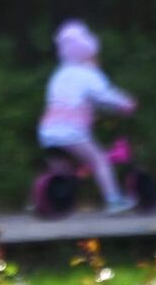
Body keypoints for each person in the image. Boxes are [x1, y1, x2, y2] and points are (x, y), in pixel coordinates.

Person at [38, 20, 139, 214]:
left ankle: (45, 199)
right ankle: (114, 200)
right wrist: (125, 103)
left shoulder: (59, 74)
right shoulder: (88, 73)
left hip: (48, 130)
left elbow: (67, 99)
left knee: (62, 170)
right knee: (99, 159)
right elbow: (105, 95)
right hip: (71, 130)